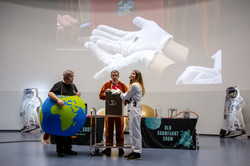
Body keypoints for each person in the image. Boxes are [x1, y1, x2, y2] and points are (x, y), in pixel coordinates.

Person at [48, 70, 81, 157]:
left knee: (69, 132)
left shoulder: (73, 86)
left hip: (70, 113)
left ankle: (68, 149)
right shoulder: (59, 85)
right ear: (66, 77)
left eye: (73, 76)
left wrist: (77, 95)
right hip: (61, 112)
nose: (73, 78)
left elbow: (75, 96)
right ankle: (60, 150)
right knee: (60, 132)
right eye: (71, 76)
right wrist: (58, 99)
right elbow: (50, 93)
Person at [115, 70, 145, 160]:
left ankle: (137, 152)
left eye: (133, 73)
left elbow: (125, 96)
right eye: (131, 73)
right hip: (133, 108)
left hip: (134, 109)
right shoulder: (136, 85)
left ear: (137, 76)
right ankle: (134, 151)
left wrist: (119, 92)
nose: (131, 75)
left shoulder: (135, 85)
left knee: (135, 131)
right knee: (132, 131)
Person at [99, 70, 128, 156]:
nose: (114, 77)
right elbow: (100, 95)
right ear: (111, 76)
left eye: (116, 75)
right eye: (113, 75)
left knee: (120, 130)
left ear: (118, 76)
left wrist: (125, 102)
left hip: (119, 112)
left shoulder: (123, 86)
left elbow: (127, 96)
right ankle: (108, 148)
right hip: (110, 111)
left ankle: (120, 148)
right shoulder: (106, 85)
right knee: (109, 130)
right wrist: (106, 93)